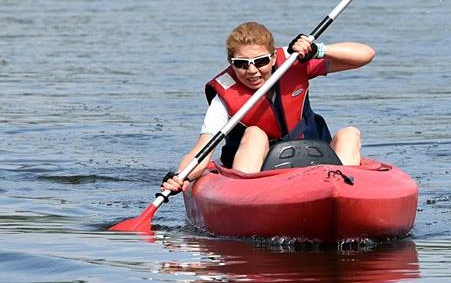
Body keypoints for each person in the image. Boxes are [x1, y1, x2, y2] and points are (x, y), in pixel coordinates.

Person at [161, 21, 375, 195]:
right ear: (231, 63)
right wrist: (181, 176)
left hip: (314, 163)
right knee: (255, 134)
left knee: (350, 133)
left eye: (261, 61)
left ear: (273, 57)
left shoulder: (294, 62)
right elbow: (202, 150)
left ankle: (346, 193)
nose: (252, 70)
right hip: (259, 178)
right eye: (242, 64)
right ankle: (244, 199)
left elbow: (366, 55)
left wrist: (318, 50)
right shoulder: (223, 97)